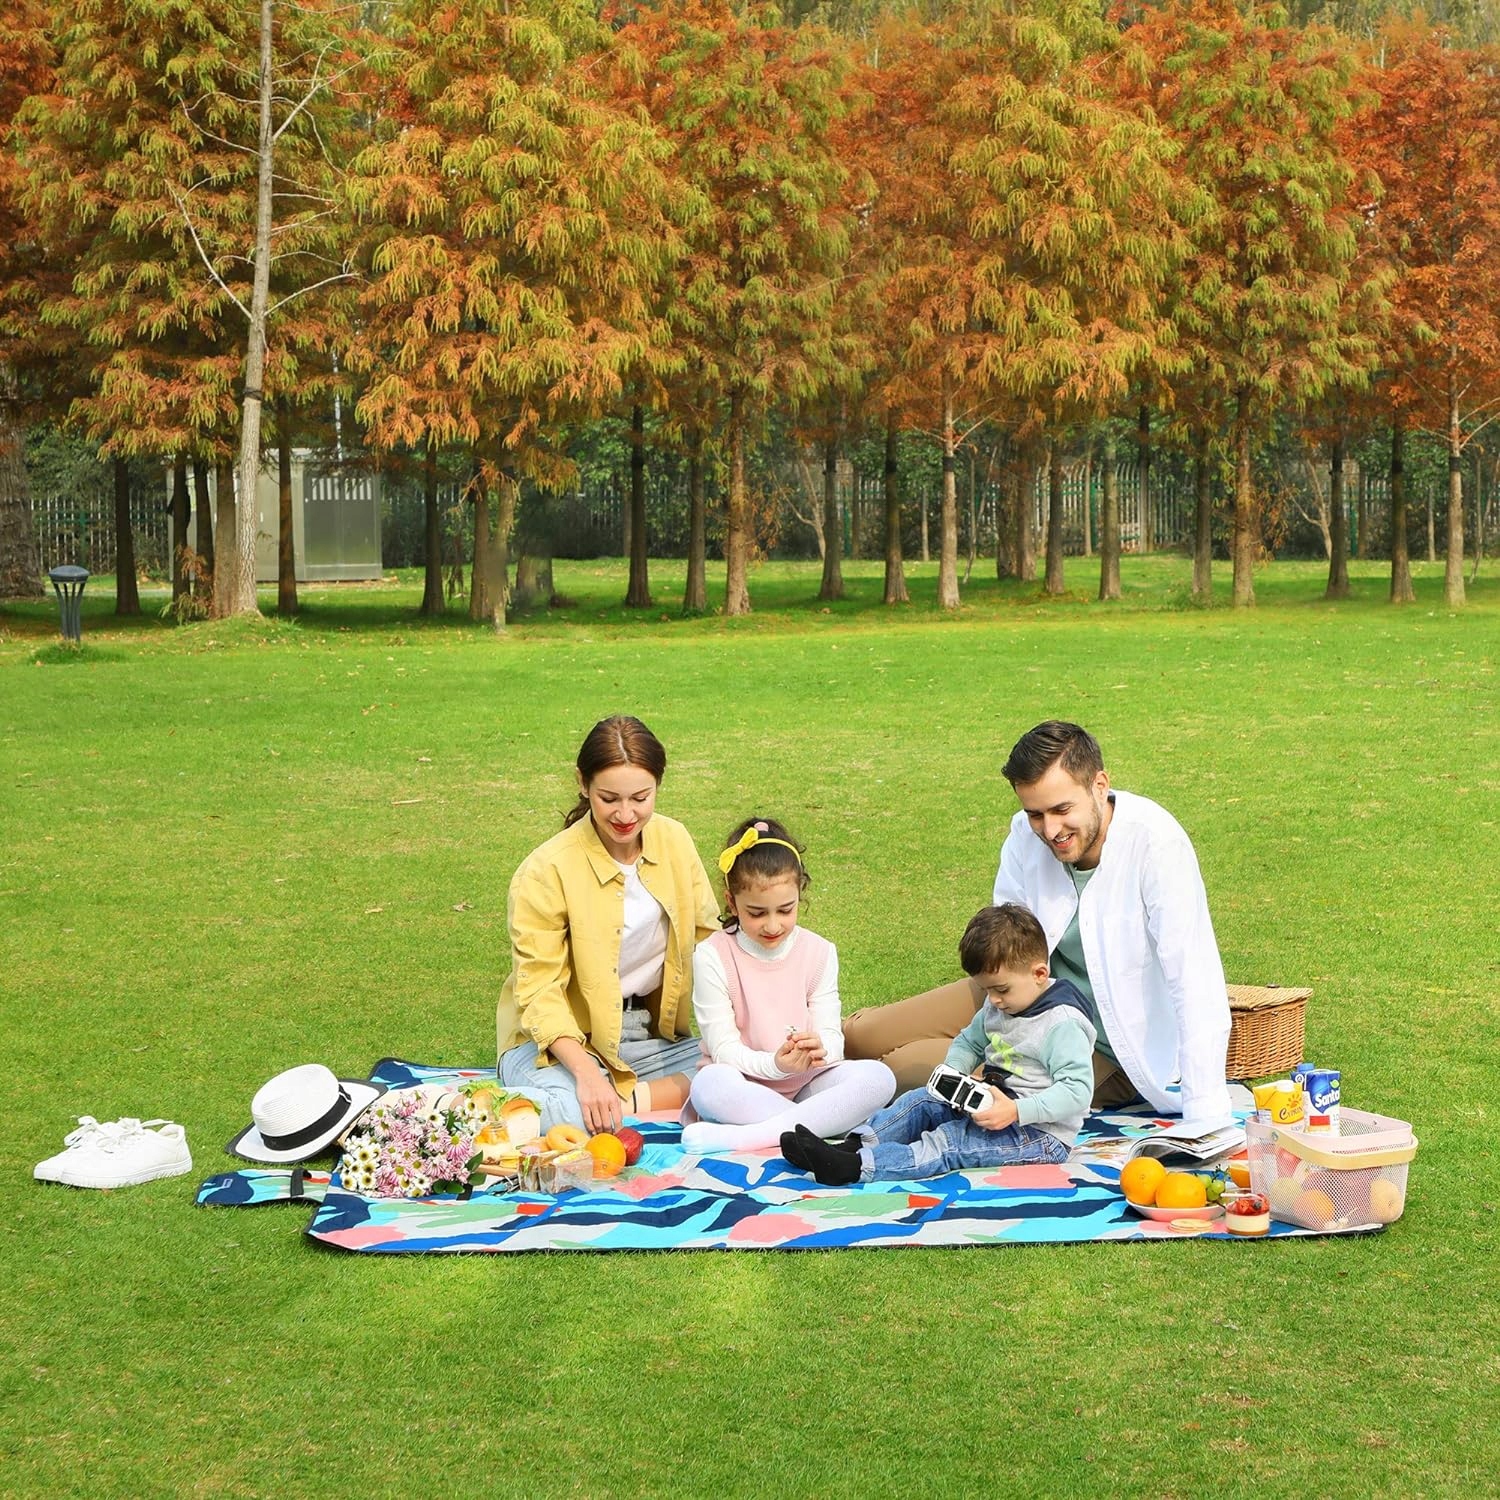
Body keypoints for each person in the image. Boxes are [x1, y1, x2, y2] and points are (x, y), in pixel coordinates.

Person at [843, 720, 1233, 1126]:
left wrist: (1206, 1115)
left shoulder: (1156, 844)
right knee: (859, 1037)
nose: (1050, 830)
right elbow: (1004, 938)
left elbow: (1194, 979)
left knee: (903, 1068)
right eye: (1035, 814)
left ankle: (840, 1097)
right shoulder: (1025, 835)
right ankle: (789, 1070)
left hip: (1098, 1046)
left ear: (1100, 785)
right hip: (1014, 990)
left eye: (1063, 810)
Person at [496, 715, 720, 1133]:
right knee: (573, 1112)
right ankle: (471, 1109)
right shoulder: (545, 870)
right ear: (583, 784)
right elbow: (539, 993)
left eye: (640, 797)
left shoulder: (675, 840)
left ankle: (624, 1103)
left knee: (747, 1076)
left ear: (658, 786)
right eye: (609, 798)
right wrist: (586, 1075)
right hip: (556, 1046)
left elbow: (709, 941)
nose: (625, 813)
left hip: (649, 1039)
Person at [781, 904, 1094, 1184]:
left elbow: (1077, 1092)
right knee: (921, 1101)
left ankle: (854, 1167)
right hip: (988, 1105)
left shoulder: (1061, 1024)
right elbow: (969, 1041)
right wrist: (954, 1074)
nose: (994, 1000)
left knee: (949, 1142)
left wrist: (1015, 1110)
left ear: (1040, 973)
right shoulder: (1000, 1003)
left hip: (1038, 1135)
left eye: (1001, 989)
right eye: (987, 990)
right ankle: (856, 1145)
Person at [680, 817, 896, 1153]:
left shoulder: (819, 951)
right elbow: (723, 1050)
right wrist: (776, 1066)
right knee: (708, 1085)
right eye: (755, 913)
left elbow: (832, 1040)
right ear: (731, 902)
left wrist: (819, 1049)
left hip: (809, 1084)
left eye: (785, 910)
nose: (772, 925)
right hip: (744, 1086)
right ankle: (820, 1131)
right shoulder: (712, 955)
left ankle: (754, 1137)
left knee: (879, 1078)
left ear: (800, 895)